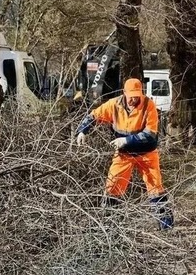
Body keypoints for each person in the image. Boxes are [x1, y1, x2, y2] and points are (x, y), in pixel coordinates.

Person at [74, 78, 173, 230]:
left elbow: (150, 134)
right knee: (112, 186)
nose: (134, 99)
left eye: (137, 95)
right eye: (131, 95)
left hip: (147, 153)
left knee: (155, 188)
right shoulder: (114, 105)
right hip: (124, 154)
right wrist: (82, 131)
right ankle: (110, 225)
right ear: (124, 93)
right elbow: (94, 115)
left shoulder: (148, 105)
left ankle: (166, 225)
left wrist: (126, 140)